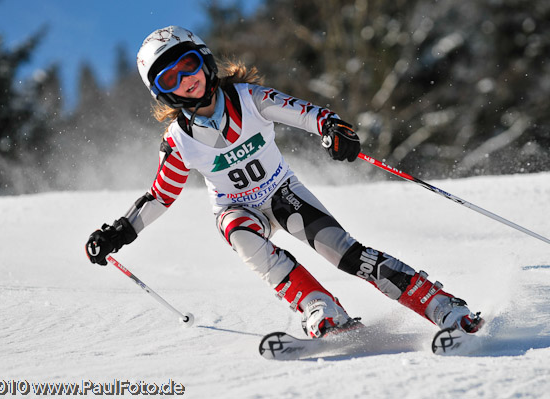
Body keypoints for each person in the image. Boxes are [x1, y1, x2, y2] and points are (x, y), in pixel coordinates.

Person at [85, 26, 483, 339]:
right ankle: (320, 308)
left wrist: (333, 129)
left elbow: (307, 113)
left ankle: (439, 305)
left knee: (343, 253)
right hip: (236, 209)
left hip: (282, 193)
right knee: (243, 238)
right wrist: (118, 232)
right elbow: (160, 196)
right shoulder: (178, 141)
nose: (185, 80)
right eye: (170, 78)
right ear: (162, 92)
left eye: (187, 65)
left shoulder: (248, 98)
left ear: (204, 61)